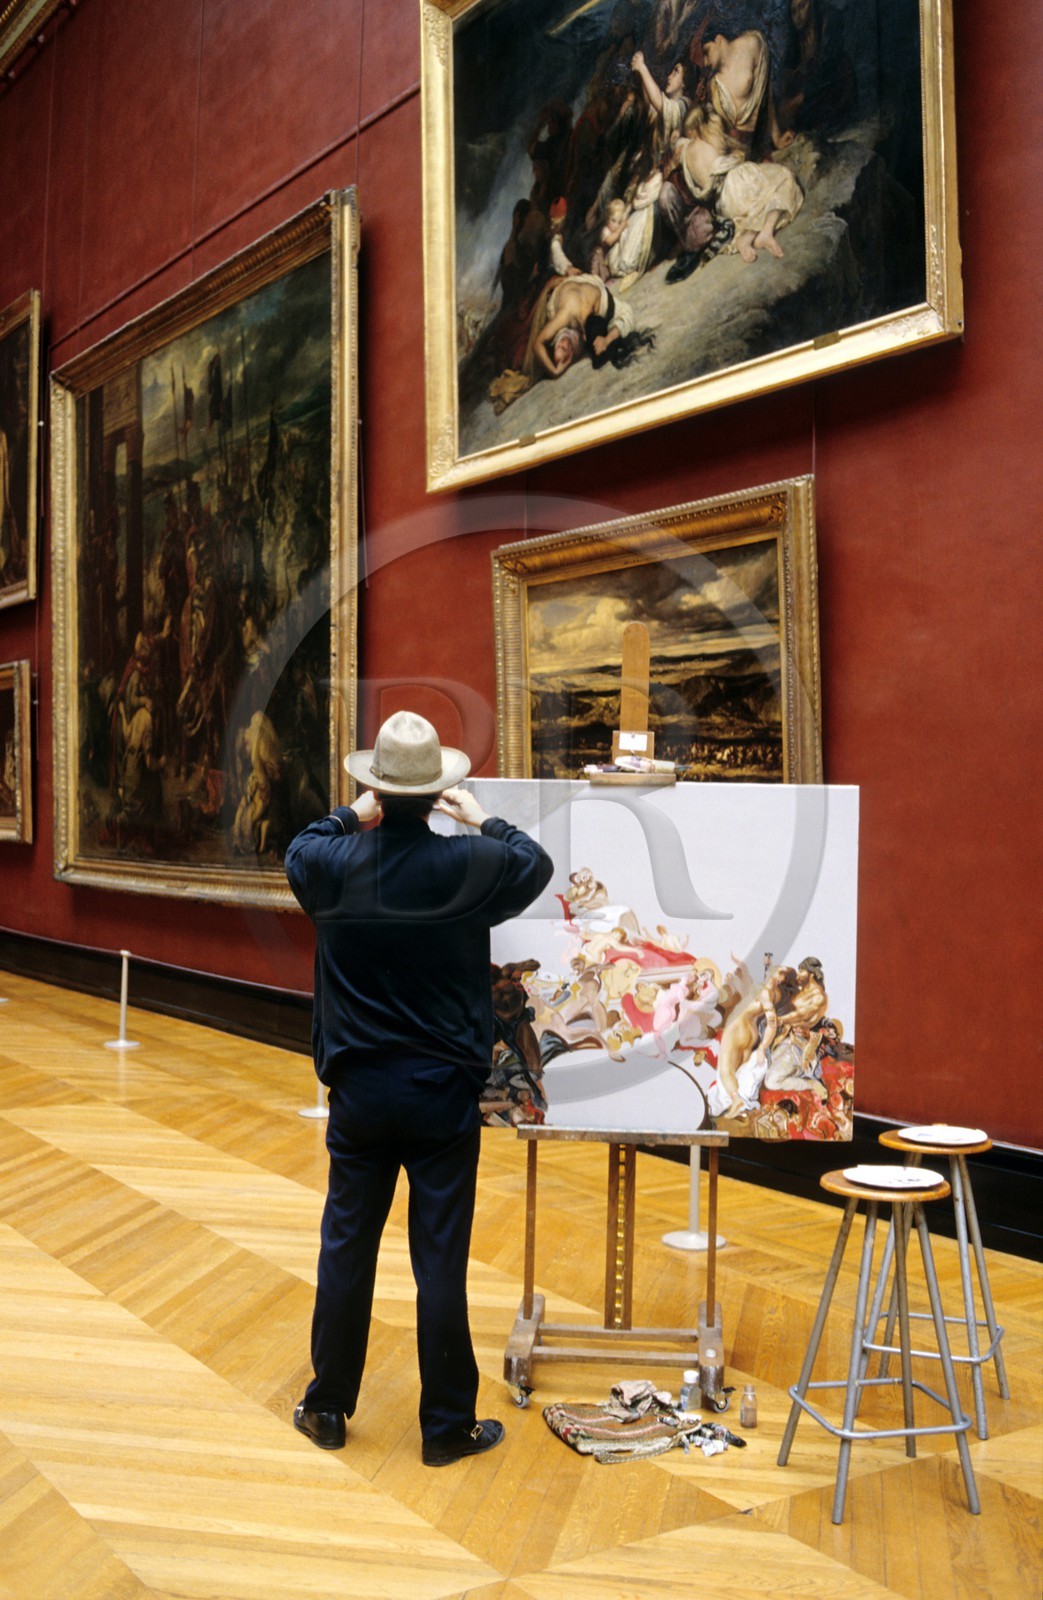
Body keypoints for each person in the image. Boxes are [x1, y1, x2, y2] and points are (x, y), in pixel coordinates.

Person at [285, 711, 553, 1467]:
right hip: (441, 1093)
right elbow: (532, 863)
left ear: (376, 791)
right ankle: (445, 1427)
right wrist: (480, 817)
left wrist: (352, 814)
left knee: (346, 1247)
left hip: (360, 1090)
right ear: (439, 793)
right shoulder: (468, 864)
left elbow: (300, 847)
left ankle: (327, 1407)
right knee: (440, 1260)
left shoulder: (331, 865)